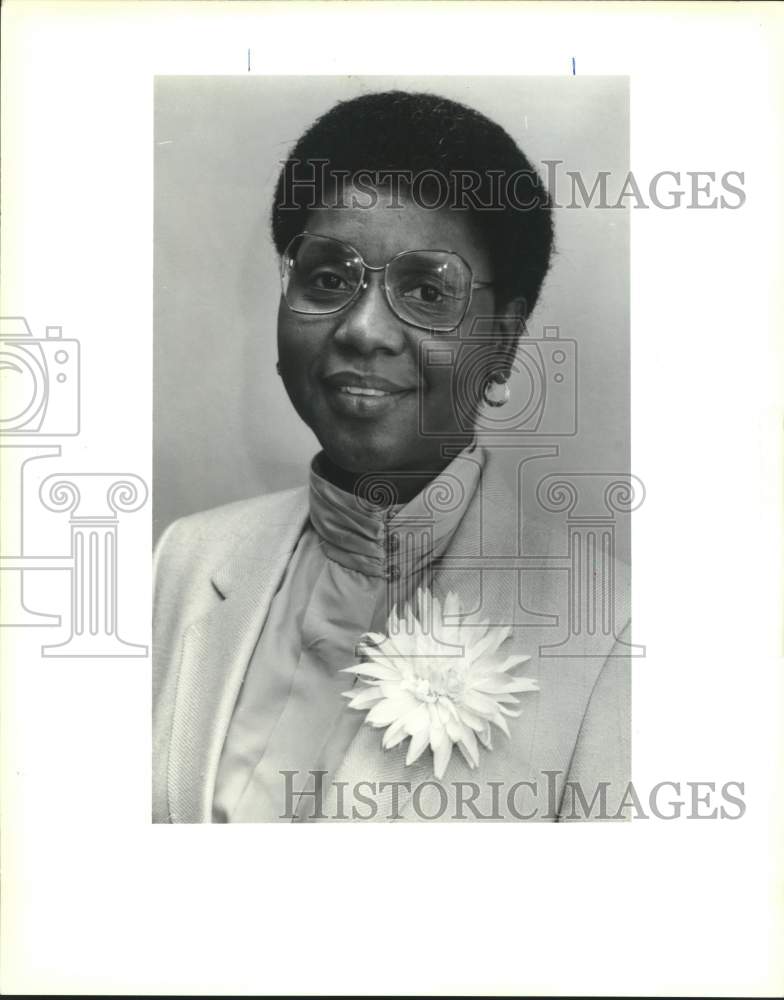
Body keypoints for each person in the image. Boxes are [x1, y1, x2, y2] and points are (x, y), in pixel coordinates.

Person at [152, 90, 630, 823]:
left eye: (427, 290)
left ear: (502, 342)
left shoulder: (609, 636)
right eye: (329, 279)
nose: (363, 329)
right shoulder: (186, 561)